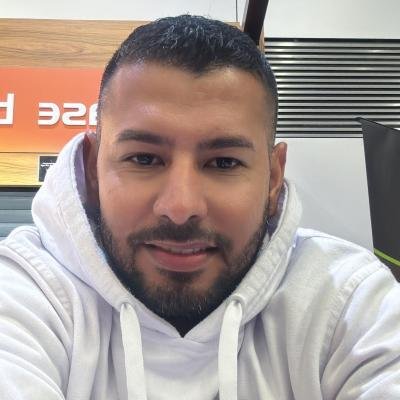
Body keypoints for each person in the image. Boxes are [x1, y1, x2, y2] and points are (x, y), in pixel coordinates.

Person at [0, 15, 399, 400]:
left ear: (273, 179)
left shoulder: (347, 300)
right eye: (144, 159)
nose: (180, 207)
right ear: (92, 168)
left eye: (224, 163)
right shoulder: (26, 292)